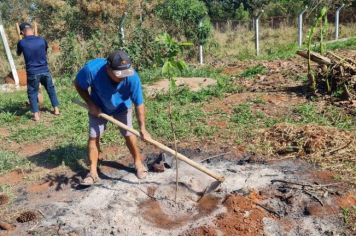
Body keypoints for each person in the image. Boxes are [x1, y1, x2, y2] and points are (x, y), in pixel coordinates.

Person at [75, 50, 151, 185]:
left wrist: (143, 128)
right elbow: (79, 85)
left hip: (122, 106)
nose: (123, 77)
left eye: (125, 73)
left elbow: (139, 103)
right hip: (98, 106)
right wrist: (91, 104)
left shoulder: (132, 76)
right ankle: (92, 172)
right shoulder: (92, 70)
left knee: (129, 134)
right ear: (108, 68)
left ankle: (138, 163)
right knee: (94, 136)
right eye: (118, 74)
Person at [17, 22, 60, 121]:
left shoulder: (21, 43)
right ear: (32, 30)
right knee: (51, 90)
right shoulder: (42, 40)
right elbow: (44, 50)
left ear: (22, 32)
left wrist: (22, 44)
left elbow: (19, 53)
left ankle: (36, 116)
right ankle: (56, 110)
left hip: (32, 72)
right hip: (45, 70)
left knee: (32, 92)